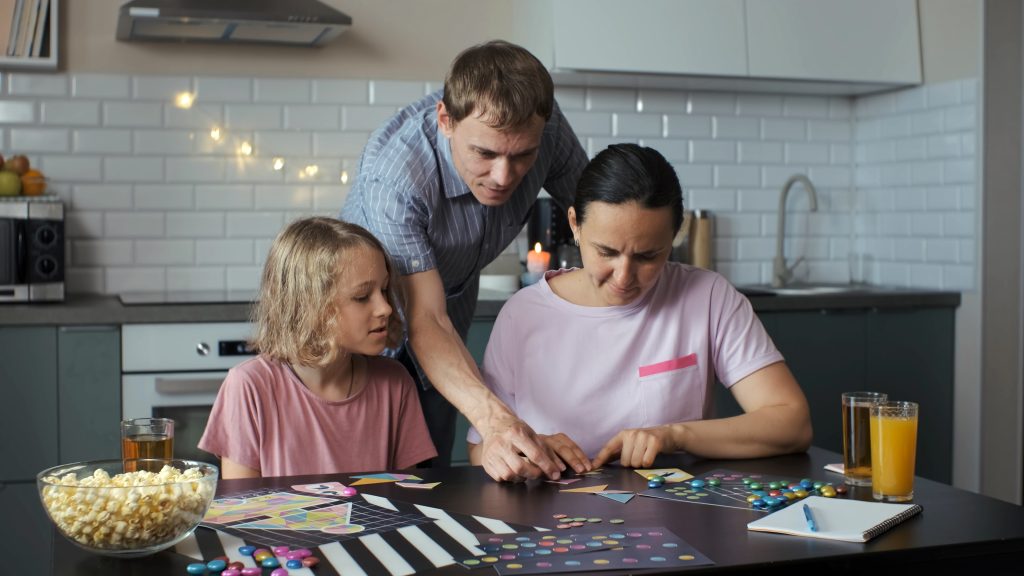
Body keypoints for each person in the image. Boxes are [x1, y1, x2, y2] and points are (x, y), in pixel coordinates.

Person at [466, 144, 813, 470]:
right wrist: (524, 454)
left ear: (675, 234)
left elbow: (792, 423)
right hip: (553, 518)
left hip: (678, 511)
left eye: (648, 256)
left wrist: (676, 435)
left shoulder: (708, 297)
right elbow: (481, 450)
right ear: (575, 225)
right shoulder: (522, 314)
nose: (623, 276)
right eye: (606, 252)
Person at [341, 39, 589, 481]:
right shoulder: (396, 179)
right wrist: (496, 421)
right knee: (365, 486)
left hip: (448, 314)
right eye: (485, 153)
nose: (504, 176)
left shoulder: (546, 131)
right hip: (366, 333)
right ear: (445, 121)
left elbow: (595, 220)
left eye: (522, 157)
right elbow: (424, 318)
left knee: (433, 478)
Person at [199, 217, 437, 479]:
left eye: (384, 289)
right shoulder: (249, 386)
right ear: (311, 307)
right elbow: (242, 509)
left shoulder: (396, 383)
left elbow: (404, 497)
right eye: (362, 297)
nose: (385, 308)